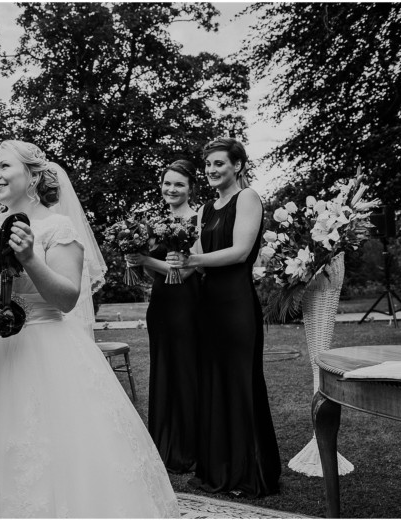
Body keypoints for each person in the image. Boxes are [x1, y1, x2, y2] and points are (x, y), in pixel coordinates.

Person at [0, 140, 178, 518]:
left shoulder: (58, 227)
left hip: (43, 350)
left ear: (33, 176)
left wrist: (29, 258)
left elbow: (67, 298)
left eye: (5, 166)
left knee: (39, 451)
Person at [167, 137, 281, 497]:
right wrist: (166, 260)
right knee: (212, 384)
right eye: (208, 165)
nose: (212, 170)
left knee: (239, 383)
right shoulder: (205, 209)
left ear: (238, 166)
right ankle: (218, 468)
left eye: (219, 163)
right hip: (208, 305)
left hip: (235, 304)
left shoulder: (247, 198)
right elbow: (193, 261)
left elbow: (239, 251)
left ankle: (249, 473)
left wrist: (193, 261)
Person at [125, 159, 200, 473]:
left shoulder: (198, 219)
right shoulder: (153, 222)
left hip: (189, 302)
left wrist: (146, 259)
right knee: (163, 369)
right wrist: (134, 259)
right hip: (160, 305)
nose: (172, 189)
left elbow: (183, 271)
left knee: (186, 370)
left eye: (179, 184)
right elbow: (149, 269)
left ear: (190, 188)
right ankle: (163, 444)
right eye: (168, 183)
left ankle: (190, 447)